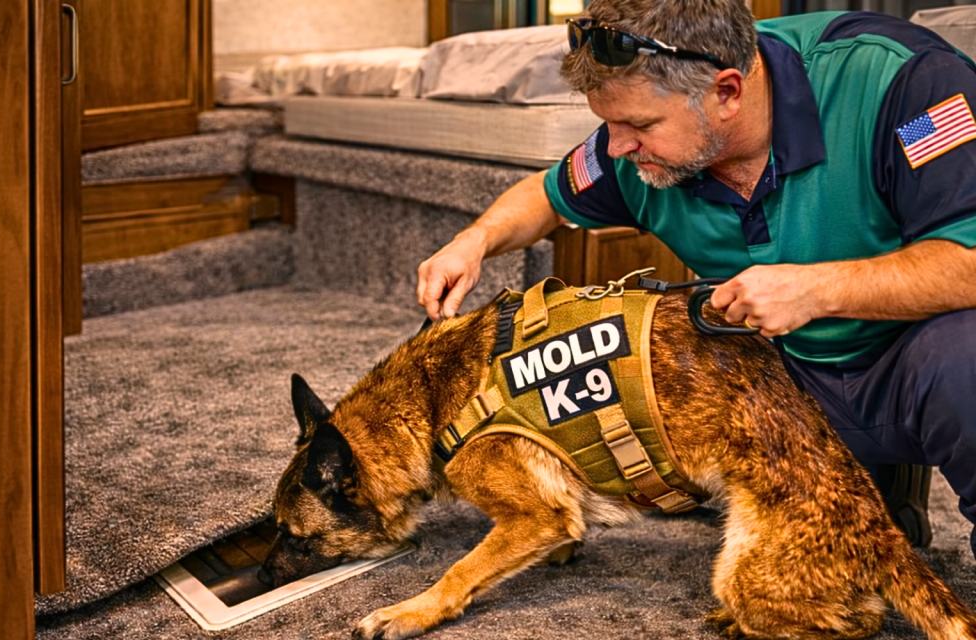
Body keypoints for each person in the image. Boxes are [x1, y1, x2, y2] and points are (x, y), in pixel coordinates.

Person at [416, 0, 976, 557]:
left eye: (638, 124)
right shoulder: (626, 155)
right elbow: (545, 194)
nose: (616, 147)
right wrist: (475, 241)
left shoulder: (906, 86)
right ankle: (865, 486)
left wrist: (814, 289)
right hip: (782, 383)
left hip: (911, 360)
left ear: (727, 92)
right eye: (606, 123)